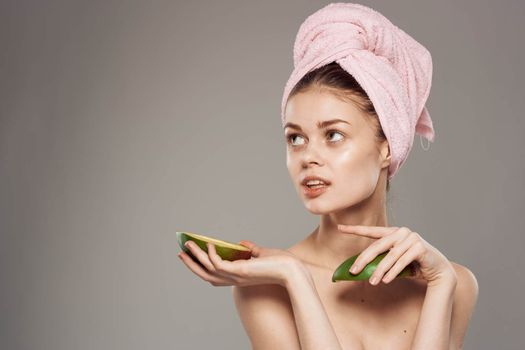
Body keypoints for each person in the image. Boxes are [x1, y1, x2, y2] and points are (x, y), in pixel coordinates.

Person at [178, 3, 478, 349]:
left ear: (388, 146)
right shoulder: (266, 289)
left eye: (333, 135)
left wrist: (441, 284)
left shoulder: (451, 282)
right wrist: (296, 277)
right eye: (296, 138)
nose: (308, 157)